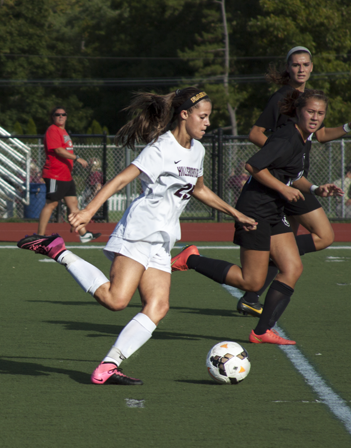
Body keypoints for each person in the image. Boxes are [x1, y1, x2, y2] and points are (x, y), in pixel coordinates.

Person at [17, 88, 256, 385]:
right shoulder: (161, 148)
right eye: (203, 116)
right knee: (116, 300)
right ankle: (58, 250)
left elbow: (199, 189)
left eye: (209, 117)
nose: (207, 123)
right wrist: (89, 211)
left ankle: (109, 365)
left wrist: (236, 213)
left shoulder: (198, 150)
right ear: (184, 114)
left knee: (158, 306)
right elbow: (121, 179)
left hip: (163, 238)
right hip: (139, 231)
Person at [171, 89, 343, 346]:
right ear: (298, 111)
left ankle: (262, 331)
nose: (315, 117)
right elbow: (253, 166)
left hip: (274, 210)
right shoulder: (286, 137)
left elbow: (293, 175)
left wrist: (317, 189)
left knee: (293, 268)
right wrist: (283, 188)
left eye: (320, 113)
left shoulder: (304, 139)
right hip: (255, 208)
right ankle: (192, 258)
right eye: (311, 111)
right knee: (251, 281)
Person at [236, 46, 351, 316]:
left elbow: (318, 136)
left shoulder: (309, 100)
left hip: (294, 179)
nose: (301, 69)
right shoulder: (283, 96)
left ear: (311, 67)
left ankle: (252, 296)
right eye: (296, 64)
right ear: (289, 68)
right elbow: (255, 133)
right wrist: (280, 154)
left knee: (294, 240)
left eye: (305, 64)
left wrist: (348, 127)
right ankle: (260, 278)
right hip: (282, 180)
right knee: (324, 236)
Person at [37, 106, 100, 242]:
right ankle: (40, 236)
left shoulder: (63, 131)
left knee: (73, 204)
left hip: (66, 175)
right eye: (57, 114)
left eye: (63, 114)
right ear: (52, 117)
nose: (60, 116)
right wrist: (77, 158)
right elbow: (58, 150)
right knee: (51, 204)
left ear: (66, 116)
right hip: (55, 174)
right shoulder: (52, 130)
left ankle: (83, 234)